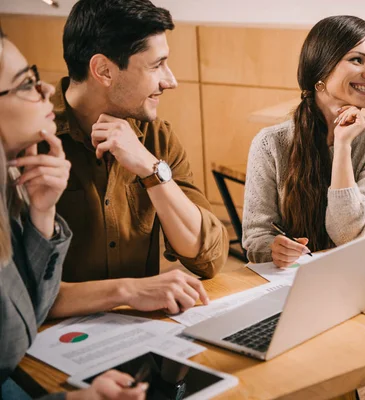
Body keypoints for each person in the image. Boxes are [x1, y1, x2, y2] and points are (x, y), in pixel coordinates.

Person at [43, 0, 229, 319]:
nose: (170, 81)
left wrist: (150, 169)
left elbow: (209, 256)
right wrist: (127, 291)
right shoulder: (29, 140)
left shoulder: (157, 138)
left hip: (137, 335)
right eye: (156, 65)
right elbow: (20, 292)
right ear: (103, 70)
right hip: (47, 345)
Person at [0, 26, 147, 400]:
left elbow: (26, 319)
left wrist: (42, 213)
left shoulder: (13, 184)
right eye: (25, 83)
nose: (46, 89)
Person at [242, 15, 365, 267]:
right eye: (357, 60)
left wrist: (342, 147)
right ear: (322, 69)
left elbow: (349, 236)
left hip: (353, 276)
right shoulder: (269, 143)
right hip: (287, 281)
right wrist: (274, 249)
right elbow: (256, 237)